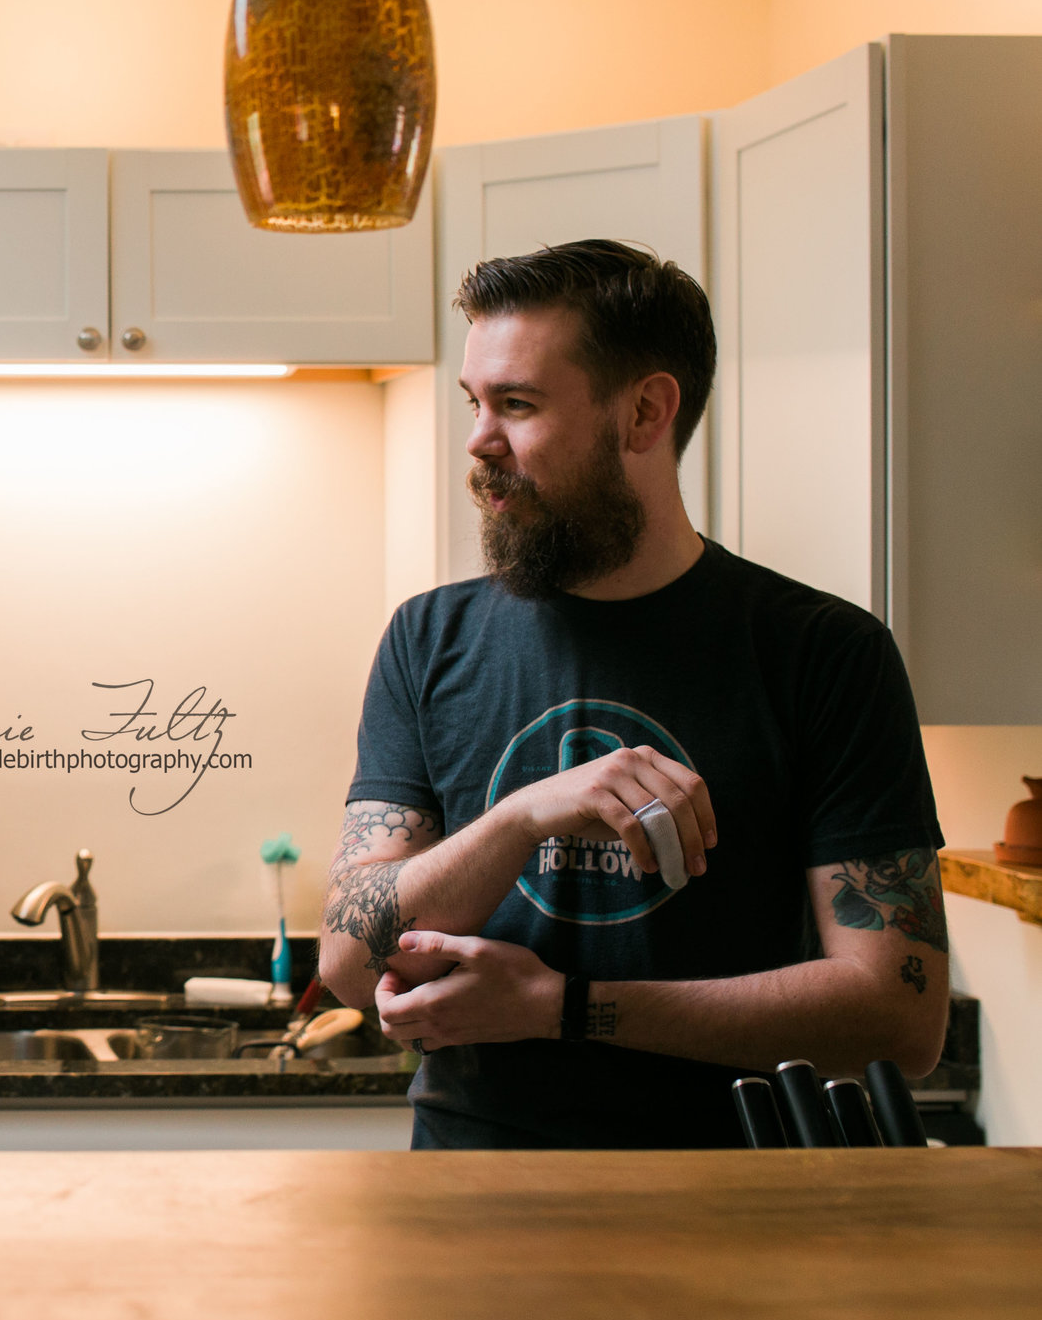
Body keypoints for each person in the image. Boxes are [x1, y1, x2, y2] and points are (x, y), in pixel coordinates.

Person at [320, 240, 948, 1150]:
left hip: (739, 1197)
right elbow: (347, 957)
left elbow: (899, 1015)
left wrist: (565, 1009)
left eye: (518, 404)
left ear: (646, 411)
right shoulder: (428, 639)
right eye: (474, 402)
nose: (477, 440)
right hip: (473, 1195)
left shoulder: (823, 653)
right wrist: (519, 818)